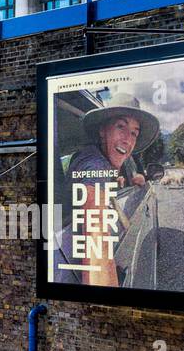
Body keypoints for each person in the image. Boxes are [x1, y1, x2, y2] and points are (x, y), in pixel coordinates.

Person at [53, 95, 159, 286]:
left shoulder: (88, 157)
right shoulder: (95, 165)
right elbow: (97, 250)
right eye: (121, 126)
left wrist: (131, 179)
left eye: (134, 133)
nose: (128, 139)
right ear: (103, 130)